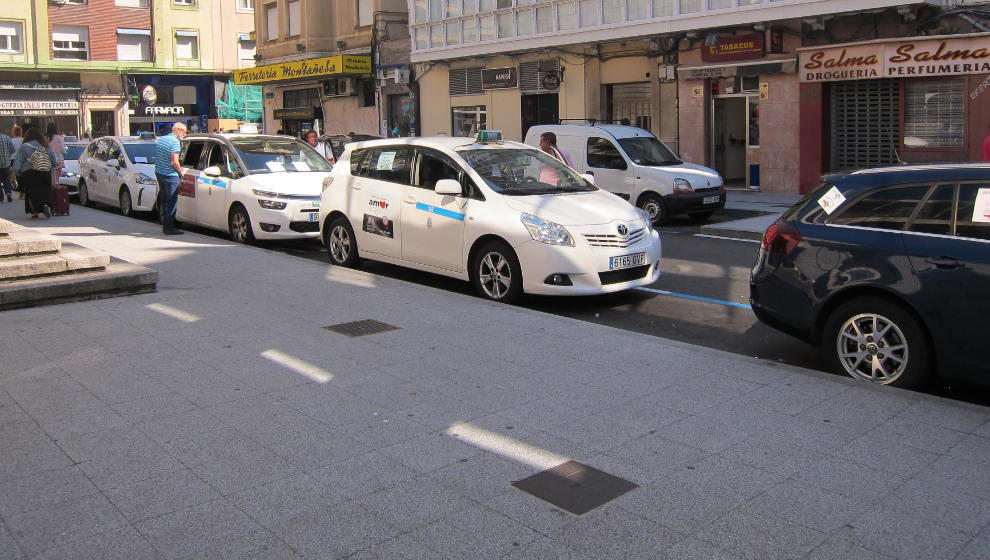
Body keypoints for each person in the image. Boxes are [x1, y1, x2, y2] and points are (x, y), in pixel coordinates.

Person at [12, 127, 58, 218]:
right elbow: (53, 159)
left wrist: (16, 173)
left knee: (30, 192)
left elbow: (18, 161)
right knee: (45, 190)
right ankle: (46, 204)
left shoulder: (25, 146)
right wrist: (52, 167)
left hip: (29, 173)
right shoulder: (45, 145)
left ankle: (35, 212)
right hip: (44, 171)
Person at [154, 122, 188, 235]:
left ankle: (165, 225)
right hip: (170, 176)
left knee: (165, 201)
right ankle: (169, 228)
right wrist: (181, 172)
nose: (184, 135)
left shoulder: (162, 139)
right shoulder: (175, 142)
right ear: (178, 130)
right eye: (184, 132)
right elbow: (174, 160)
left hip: (160, 173)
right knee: (172, 202)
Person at [0, 129, 13, 203]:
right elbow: (13, 150)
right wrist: (7, 155)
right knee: (6, 179)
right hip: (6, 163)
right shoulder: (7, 138)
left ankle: (1, 198)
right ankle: (8, 193)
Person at [10, 125, 23, 199]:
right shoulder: (23, 140)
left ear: (13, 132)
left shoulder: (11, 140)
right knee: (21, 174)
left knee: (16, 174)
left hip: (13, 159)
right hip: (21, 159)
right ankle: (22, 189)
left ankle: (17, 186)